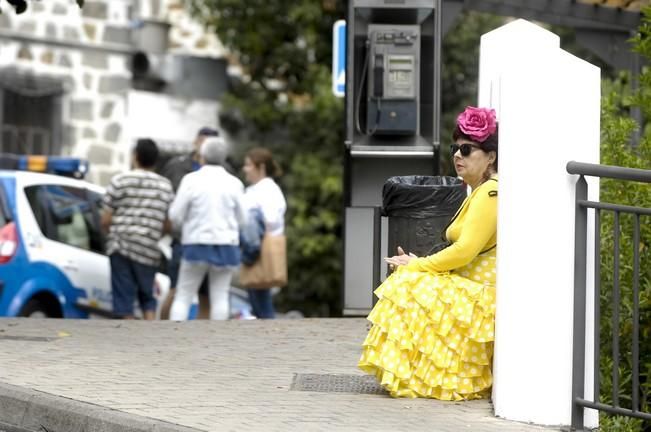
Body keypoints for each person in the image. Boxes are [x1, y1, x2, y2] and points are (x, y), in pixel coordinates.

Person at [358, 106, 499, 401]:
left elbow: (464, 251)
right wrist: (415, 265)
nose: (457, 155)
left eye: (466, 149)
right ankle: (418, 375)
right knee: (406, 281)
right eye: (454, 148)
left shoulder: (490, 193)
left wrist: (418, 265)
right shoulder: (481, 191)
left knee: (406, 284)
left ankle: (419, 379)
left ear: (491, 156)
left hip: (482, 294)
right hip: (471, 286)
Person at [168, 137, 247, 320]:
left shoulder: (190, 180)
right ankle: (217, 340)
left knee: (184, 295)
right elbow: (244, 219)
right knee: (220, 296)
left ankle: (175, 336)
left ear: (202, 156)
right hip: (226, 245)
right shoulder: (234, 183)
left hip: (196, 242)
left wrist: (185, 227)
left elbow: (175, 215)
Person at [102, 138, 174, 320]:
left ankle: (129, 341)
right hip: (149, 249)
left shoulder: (120, 180)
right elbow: (168, 223)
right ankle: (149, 336)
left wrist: (110, 232)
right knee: (147, 297)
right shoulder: (165, 186)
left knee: (124, 300)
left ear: (135, 156)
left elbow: (106, 219)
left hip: (121, 246)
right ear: (155, 160)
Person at [159, 127, 219, 319]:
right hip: (182, 238)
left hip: (212, 239)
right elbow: (165, 198)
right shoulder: (177, 166)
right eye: (203, 141)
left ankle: (201, 338)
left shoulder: (224, 172)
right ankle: (162, 332)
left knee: (206, 295)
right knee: (176, 290)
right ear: (196, 141)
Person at [241, 147, 286, 319]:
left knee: (261, 299)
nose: (245, 169)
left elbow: (271, 219)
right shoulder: (255, 189)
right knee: (256, 298)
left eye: (248, 165)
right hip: (254, 247)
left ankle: (271, 339)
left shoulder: (268, 189)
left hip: (260, 247)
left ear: (261, 167)